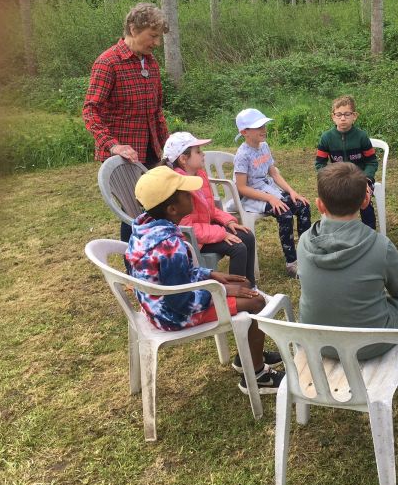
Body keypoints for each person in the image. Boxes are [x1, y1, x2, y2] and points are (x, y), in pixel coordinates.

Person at [127, 166, 284, 394]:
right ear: (172, 209)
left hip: (155, 303)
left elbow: (177, 276)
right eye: (185, 193)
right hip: (171, 314)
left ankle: (248, 357)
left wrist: (210, 275)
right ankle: (257, 375)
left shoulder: (145, 228)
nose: (192, 195)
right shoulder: (170, 246)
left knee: (246, 286)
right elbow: (179, 301)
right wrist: (221, 291)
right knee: (256, 302)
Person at [298, 162, 398, 408]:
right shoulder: (381, 246)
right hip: (370, 345)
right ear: (365, 202)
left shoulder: (303, 242)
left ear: (320, 204)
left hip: (317, 341)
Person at [83, 3, 171, 242]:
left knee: (158, 205)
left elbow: (156, 111)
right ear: (133, 29)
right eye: (152, 36)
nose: (156, 43)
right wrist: (113, 145)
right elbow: (90, 111)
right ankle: (134, 271)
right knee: (134, 213)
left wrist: (170, 146)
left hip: (151, 149)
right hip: (123, 156)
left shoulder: (150, 63)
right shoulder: (108, 63)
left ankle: (157, 259)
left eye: (158, 37)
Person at [162, 132, 258, 288]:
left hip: (205, 230)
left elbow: (210, 209)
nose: (203, 154)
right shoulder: (178, 186)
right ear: (183, 159)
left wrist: (229, 221)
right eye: (198, 151)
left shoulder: (199, 174)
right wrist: (221, 233)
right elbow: (186, 228)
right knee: (238, 248)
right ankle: (236, 291)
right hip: (191, 240)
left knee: (247, 235)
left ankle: (250, 286)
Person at [232, 108, 312, 278]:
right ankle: (292, 263)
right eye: (258, 127)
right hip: (252, 197)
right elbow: (242, 188)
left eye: (264, 125)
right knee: (285, 213)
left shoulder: (264, 146)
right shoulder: (242, 154)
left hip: (269, 190)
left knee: (303, 206)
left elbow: (274, 173)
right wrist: (270, 198)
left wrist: (291, 191)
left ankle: (307, 254)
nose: (263, 129)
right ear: (244, 132)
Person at [315, 95, 378, 229]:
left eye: (347, 114)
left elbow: (372, 161)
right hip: (337, 179)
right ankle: (334, 231)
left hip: (360, 179)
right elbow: (320, 163)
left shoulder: (361, 137)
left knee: (365, 201)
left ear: (354, 116)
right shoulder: (326, 138)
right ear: (333, 117)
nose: (343, 118)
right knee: (332, 202)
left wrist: (366, 179)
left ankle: (370, 232)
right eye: (339, 115)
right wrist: (328, 178)